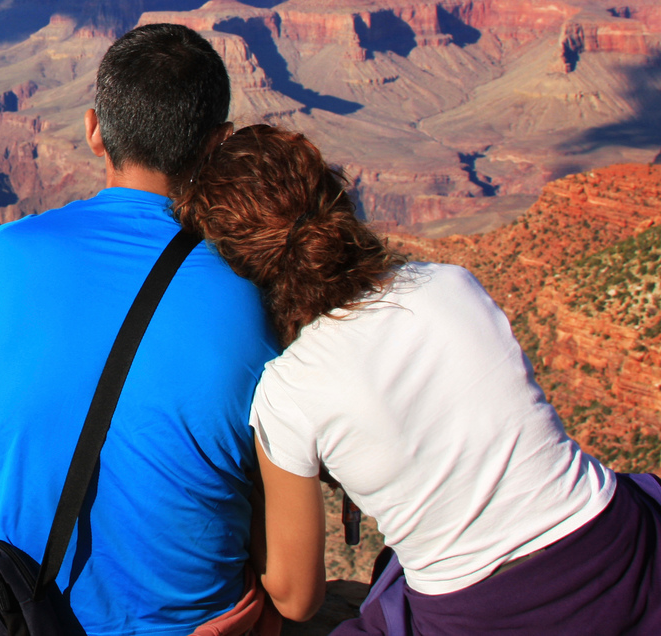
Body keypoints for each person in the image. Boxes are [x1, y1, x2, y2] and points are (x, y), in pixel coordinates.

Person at [175, 124, 661, 634]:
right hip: (622, 546)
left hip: (484, 613)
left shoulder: (289, 392)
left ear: (238, 266)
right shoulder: (451, 283)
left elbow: (298, 600)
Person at [0, 23, 279, 636]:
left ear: (94, 128)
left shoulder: (2, 252)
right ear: (220, 144)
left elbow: (6, 392)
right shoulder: (254, 291)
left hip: (19, 615)